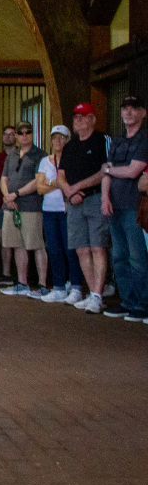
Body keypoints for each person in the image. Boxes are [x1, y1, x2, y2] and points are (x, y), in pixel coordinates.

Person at [56, 103, 110, 311]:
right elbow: (61, 176)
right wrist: (70, 192)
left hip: (95, 199)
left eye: (83, 116)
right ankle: (91, 293)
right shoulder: (69, 147)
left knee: (98, 246)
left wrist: (78, 187)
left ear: (93, 119)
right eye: (76, 117)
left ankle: (97, 294)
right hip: (74, 202)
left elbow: (105, 171)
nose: (78, 120)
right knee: (81, 249)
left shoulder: (102, 140)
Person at [101, 95, 148, 322]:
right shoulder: (117, 141)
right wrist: (104, 198)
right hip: (114, 206)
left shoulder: (144, 139)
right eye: (125, 109)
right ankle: (127, 301)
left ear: (142, 113)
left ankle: (141, 303)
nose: (128, 112)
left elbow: (133, 171)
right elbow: (105, 172)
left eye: (133, 109)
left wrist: (110, 170)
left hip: (134, 207)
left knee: (137, 258)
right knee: (119, 256)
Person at [0, 120, 49, 297]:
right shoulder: (11, 155)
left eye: (28, 132)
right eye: (21, 133)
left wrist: (16, 194)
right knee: (17, 245)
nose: (24, 135)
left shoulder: (40, 155)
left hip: (31, 206)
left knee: (36, 244)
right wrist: (7, 196)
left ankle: (42, 285)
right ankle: (22, 283)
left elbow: (38, 181)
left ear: (32, 134)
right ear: (17, 136)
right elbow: (3, 178)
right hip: (10, 206)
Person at [37, 125, 84, 303]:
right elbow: (40, 188)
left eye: (62, 137)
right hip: (49, 210)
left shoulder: (73, 159)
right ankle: (58, 287)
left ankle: (76, 287)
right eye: (55, 137)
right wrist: (58, 181)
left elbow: (72, 182)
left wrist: (51, 182)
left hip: (67, 209)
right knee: (54, 249)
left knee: (70, 249)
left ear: (68, 139)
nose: (58, 141)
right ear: (50, 140)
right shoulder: (44, 161)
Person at [0, 126, 18, 286]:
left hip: (20, 204)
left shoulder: (23, 156)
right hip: (0, 204)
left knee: (20, 240)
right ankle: (6, 274)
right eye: (5, 134)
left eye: (11, 134)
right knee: (4, 240)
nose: (7, 137)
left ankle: (22, 277)